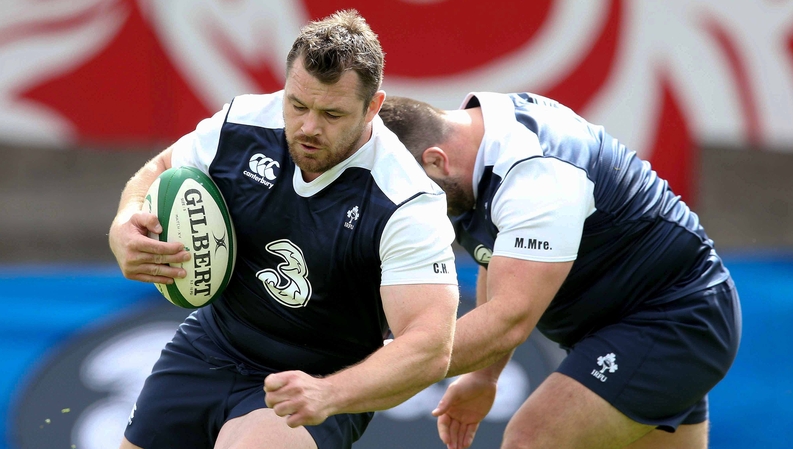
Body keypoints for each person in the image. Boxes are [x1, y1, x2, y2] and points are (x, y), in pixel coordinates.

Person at [108, 10, 460, 449]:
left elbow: (430, 344)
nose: (309, 127)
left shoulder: (404, 201)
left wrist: (330, 393)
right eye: (297, 105)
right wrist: (125, 221)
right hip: (212, 343)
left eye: (332, 113)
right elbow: (163, 166)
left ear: (373, 107)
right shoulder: (242, 123)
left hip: (317, 378)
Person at [379, 92, 742, 449]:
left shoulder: (536, 171)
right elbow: (498, 260)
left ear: (436, 161)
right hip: (625, 328)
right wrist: (483, 376)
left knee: (529, 441)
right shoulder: (474, 151)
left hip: (670, 320)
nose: (403, 212)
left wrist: (378, 365)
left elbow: (508, 320)